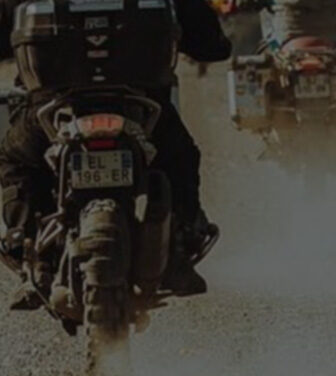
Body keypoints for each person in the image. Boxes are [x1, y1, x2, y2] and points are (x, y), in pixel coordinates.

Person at [0, 0, 232, 309]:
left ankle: (30, 253)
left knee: (18, 161)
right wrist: (212, 43)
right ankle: (180, 243)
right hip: (142, 103)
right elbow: (210, 45)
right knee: (179, 157)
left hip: (53, 105)